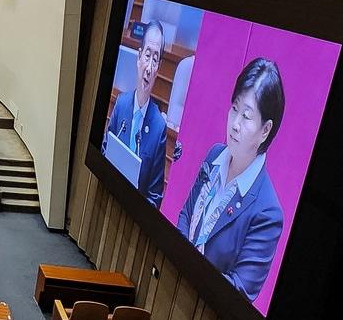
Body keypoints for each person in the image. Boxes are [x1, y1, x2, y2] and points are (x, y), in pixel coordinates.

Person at [174, 58, 286, 301]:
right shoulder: (215, 155)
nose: (234, 124)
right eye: (234, 108)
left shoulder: (267, 213)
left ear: (265, 130)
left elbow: (239, 291)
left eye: (246, 116)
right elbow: (186, 214)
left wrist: (191, 276)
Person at [103, 21, 169, 206]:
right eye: (148, 55)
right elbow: (104, 151)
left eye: (155, 59)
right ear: (139, 58)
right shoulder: (122, 104)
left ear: (158, 68)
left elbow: (155, 196)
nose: (149, 67)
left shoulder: (158, 127)